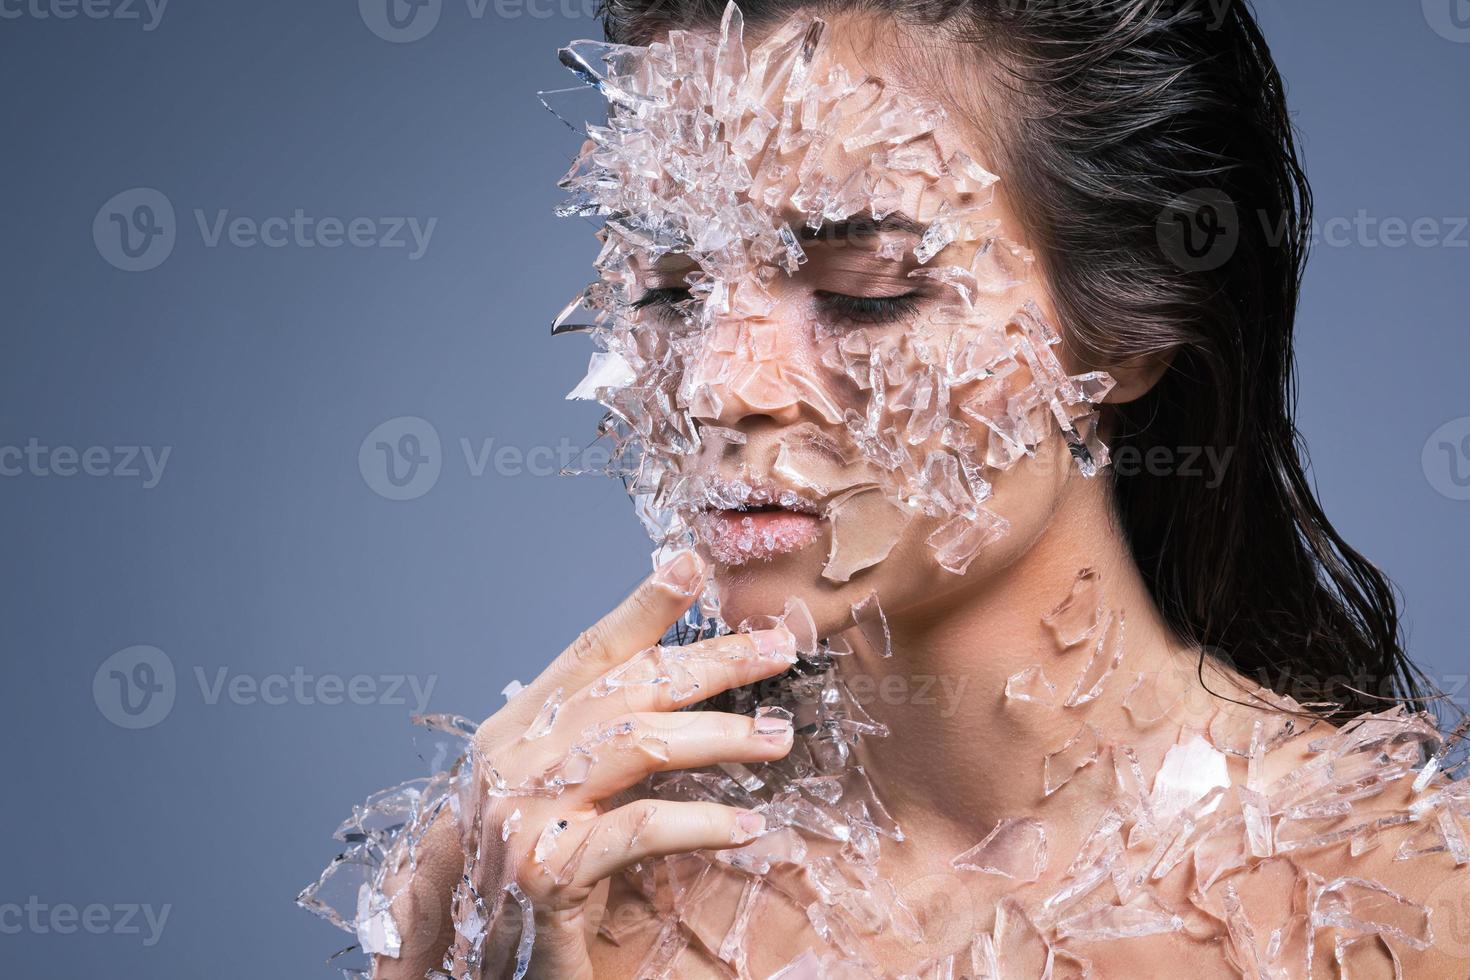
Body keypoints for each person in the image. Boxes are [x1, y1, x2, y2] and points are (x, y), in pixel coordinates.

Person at [300, 2, 1470, 976]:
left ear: (1126, 334)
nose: (718, 383)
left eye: (865, 290)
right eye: (668, 288)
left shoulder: (1402, 902)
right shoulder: (553, 873)